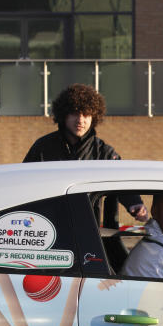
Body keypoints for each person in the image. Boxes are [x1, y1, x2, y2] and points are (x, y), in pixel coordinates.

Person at [24, 83, 147, 227]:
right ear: (64, 115)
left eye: (86, 114)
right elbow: (23, 182)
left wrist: (135, 203)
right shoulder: (43, 147)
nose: (80, 120)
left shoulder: (103, 152)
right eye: (75, 113)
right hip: (48, 228)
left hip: (87, 230)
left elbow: (122, 178)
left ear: (94, 117)